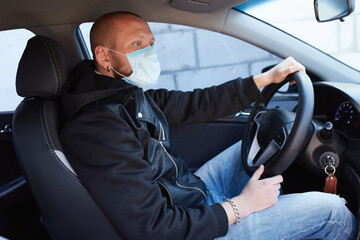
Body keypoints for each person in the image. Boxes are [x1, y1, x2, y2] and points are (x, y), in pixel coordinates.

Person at [60, 11, 358, 240]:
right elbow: (153, 228)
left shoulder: (122, 93)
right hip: (189, 227)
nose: (148, 53)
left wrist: (266, 79)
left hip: (193, 195)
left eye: (150, 45)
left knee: (261, 143)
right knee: (332, 213)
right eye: (137, 45)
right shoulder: (96, 127)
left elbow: (195, 103)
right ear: (103, 56)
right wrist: (241, 206)